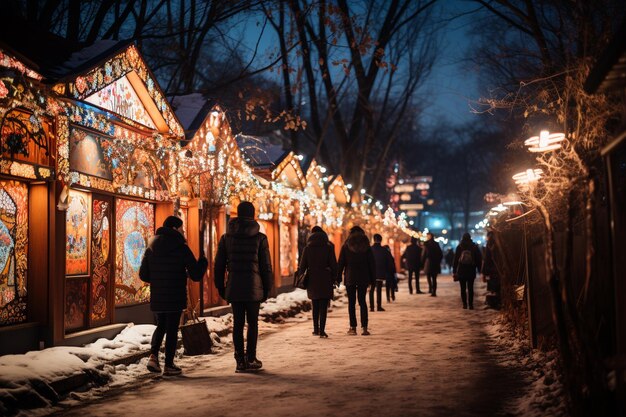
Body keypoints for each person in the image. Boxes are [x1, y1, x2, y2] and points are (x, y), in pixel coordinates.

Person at [139, 215, 208, 376]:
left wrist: (158, 280)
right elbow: (196, 274)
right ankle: (169, 365)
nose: (184, 231)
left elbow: (143, 274)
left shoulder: (152, 246)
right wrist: (203, 261)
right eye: (182, 229)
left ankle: (153, 356)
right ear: (175, 229)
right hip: (175, 294)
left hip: (158, 295)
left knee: (161, 325)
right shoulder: (181, 247)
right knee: (171, 329)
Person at [214, 201, 273, 372]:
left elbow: (219, 265)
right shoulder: (260, 238)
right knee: (252, 323)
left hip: (234, 286)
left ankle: (239, 360)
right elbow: (265, 266)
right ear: (253, 215)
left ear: (237, 215)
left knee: (238, 323)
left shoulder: (226, 238)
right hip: (254, 287)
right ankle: (251, 358)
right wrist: (267, 288)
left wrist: (220, 287)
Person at [297, 226, 337, 338]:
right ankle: (322, 330)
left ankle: (315, 329)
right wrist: (334, 278)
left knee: (315, 304)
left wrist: (301, 277)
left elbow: (302, 266)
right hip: (325, 279)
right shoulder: (328, 248)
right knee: (323, 306)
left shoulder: (307, 248)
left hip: (312, 279)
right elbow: (334, 265)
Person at [337, 226, 376, 336]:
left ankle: (353, 327)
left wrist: (338, 277)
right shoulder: (367, 246)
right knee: (362, 302)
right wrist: (373, 279)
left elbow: (341, 263)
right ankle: (364, 328)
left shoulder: (346, 245)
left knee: (351, 303)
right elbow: (371, 264)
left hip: (350, 277)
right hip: (364, 277)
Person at [453, 232, 483, 309]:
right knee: (470, 288)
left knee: (462, 288)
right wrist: (479, 269)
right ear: (470, 238)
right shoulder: (474, 246)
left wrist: (454, 271)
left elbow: (456, 260)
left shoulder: (459, 246)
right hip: (471, 269)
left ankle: (464, 304)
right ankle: (471, 304)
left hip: (461, 270)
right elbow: (478, 259)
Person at [370, 234, 393, 311]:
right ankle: (379, 306)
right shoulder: (384, 250)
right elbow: (389, 262)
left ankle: (372, 307)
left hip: (371, 273)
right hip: (380, 272)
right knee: (378, 290)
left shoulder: (369, 249)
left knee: (371, 289)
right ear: (381, 240)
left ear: (373, 239)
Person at [482, 231, 501, 309]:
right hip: (498, 268)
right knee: (496, 285)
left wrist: (484, 272)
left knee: (494, 285)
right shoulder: (498, 240)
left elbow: (487, 258)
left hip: (493, 269)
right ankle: (497, 301)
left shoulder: (490, 243)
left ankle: (495, 303)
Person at [421, 232, 443, 297]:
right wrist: (438, 261)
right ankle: (434, 291)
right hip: (435, 263)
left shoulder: (426, 244)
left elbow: (423, 254)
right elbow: (440, 254)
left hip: (429, 262)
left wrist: (422, 262)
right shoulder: (436, 244)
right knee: (434, 278)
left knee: (428, 276)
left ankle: (430, 289)